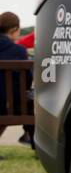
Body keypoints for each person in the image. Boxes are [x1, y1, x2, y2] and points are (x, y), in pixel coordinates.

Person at [0, 11, 34, 149]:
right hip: (8, 106)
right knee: (31, 102)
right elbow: (26, 81)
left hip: (4, 104)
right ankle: (31, 141)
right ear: (14, 29)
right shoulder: (19, 51)